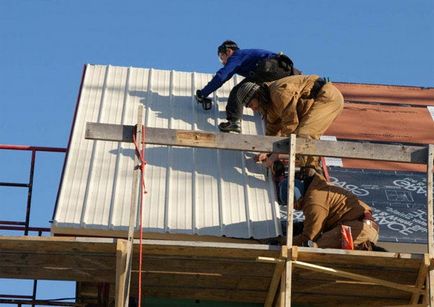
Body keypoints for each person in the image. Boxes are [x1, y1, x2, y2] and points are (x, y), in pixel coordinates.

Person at [237, 75, 344, 171]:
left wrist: (274, 156)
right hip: (316, 101)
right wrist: (265, 151)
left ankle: (311, 173)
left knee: (304, 136)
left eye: (251, 104)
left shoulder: (278, 93)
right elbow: (272, 129)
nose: (253, 109)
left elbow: (291, 125)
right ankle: (310, 171)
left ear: (257, 95)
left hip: (327, 97)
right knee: (301, 140)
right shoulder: (269, 106)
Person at [195, 40, 300, 133]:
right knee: (267, 94)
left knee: (240, 91)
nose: (222, 62)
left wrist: (203, 93)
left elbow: (222, 76)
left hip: (271, 68)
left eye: (221, 57)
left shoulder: (236, 56)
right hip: (288, 71)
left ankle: (234, 122)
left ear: (228, 51)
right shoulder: (246, 56)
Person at [281, 173, 380, 250]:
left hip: (358, 231)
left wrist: (282, 242)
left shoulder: (314, 202)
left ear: (296, 197)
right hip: (364, 228)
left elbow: (309, 237)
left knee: (312, 248)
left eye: (291, 204)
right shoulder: (317, 189)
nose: (294, 208)